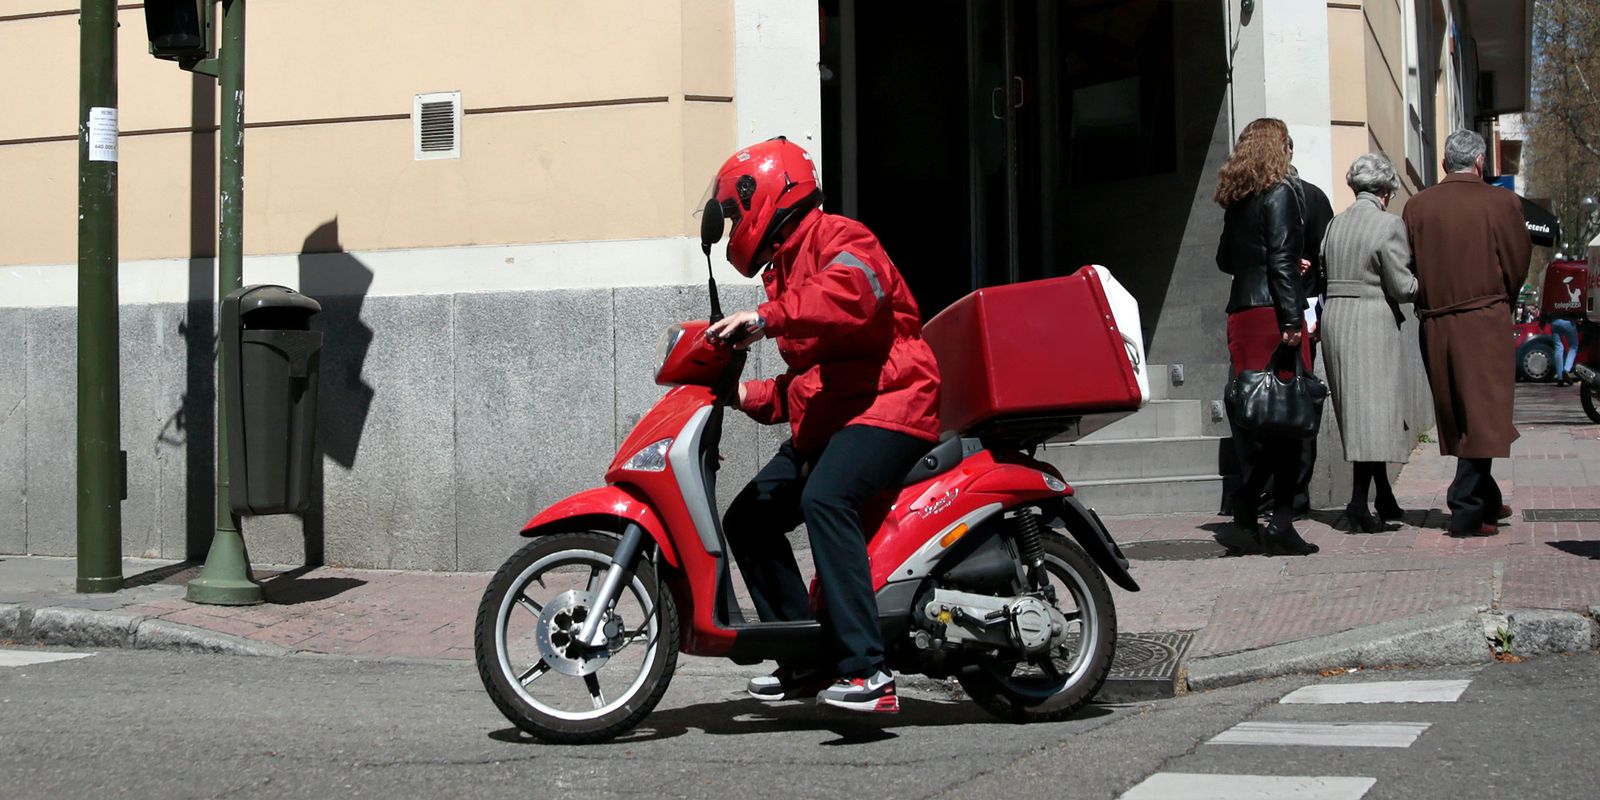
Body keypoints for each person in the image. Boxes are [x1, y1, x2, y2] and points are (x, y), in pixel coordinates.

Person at [702, 137, 941, 714]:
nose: (734, 224)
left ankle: (868, 671)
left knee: (825, 496)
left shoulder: (841, 237)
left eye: (736, 211)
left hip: (893, 401)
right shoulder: (782, 271)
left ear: (768, 194)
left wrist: (765, 318)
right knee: (750, 518)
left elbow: (851, 292)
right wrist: (738, 394)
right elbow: (809, 380)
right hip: (842, 411)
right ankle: (807, 658)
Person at [1402, 130, 1532, 536]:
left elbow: (1409, 264)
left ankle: (1485, 498)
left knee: (1462, 414)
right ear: (1480, 163)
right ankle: (1467, 508)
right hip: (1484, 317)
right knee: (1484, 415)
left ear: (1444, 164)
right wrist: (1502, 301)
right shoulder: (1501, 202)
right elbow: (1517, 259)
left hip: (1437, 321)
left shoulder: (1416, 206)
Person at [1214, 117, 1319, 556]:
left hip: (1242, 310)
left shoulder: (1238, 200)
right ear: (1280, 148)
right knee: (1290, 418)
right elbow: (1279, 260)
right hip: (1274, 313)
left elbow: (1224, 259)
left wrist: (1267, 263)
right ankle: (1279, 519)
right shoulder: (1280, 193)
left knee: (1259, 416)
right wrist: (1294, 320)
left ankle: (1246, 500)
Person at [1319, 153, 1417, 532]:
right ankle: (1359, 502)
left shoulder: (1335, 224)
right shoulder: (1388, 225)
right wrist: (1427, 284)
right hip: (1370, 320)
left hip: (1336, 320)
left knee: (1358, 413)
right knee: (1371, 415)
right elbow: (1402, 286)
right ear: (1386, 190)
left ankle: (1384, 497)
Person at [1546, 305, 1580, 386]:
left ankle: (1560, 378)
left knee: (1558, 347)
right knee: (1573, 346)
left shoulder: (1555, 295)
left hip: (1555, 321)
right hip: (1568, 321)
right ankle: (1566, 369)